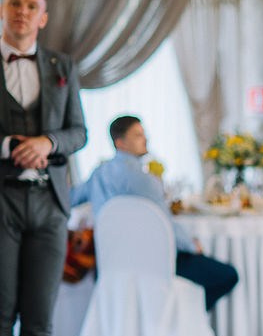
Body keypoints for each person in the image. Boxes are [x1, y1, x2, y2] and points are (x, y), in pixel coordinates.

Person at [0, 0, 86, 336]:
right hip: (2, 201)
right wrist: (9, 145)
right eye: (14, 2)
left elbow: (79, 132)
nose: (22, 11)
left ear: (43, 17)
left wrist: (48, 142)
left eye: (31, 5)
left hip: (50, 205)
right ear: (3, 9)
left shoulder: (61, 66)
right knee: (0, 313)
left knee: (39, 318)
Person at [70, 116, 238, 311]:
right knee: (227, 276)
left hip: (109, 266)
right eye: (138, 135)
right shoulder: (144, 180)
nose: (146, 139)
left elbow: (71, 198)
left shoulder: (98, 174)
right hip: (151, 266)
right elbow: (164, 223)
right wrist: (192, 245)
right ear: (120, 143)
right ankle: (183, 317)